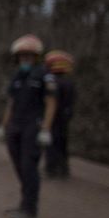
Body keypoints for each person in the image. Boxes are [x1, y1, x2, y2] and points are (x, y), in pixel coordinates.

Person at [0, 34, 57, 218]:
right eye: (22, 56)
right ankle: (24, 202)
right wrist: (3, 125)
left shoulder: (44, 76)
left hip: (33, 126)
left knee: (29, 166)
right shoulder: (17, 76)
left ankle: (30, 209)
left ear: (36, 57)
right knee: (18, 164)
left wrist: (46, 129)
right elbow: (11, 102)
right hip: (16, 125)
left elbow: (51, 103)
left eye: (28, 56)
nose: (25, 59)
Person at [43, 50, 76, 179]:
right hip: (65, 116)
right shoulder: (69, 82)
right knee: (63, 142)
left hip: (54, 116)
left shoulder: (53, 82)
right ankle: (63, 169)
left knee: (51, 142)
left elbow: (51, 101)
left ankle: (51, 168)